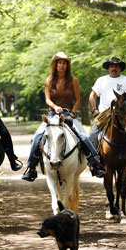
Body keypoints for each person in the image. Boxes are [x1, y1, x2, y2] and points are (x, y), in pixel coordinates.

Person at [22, 52, 106, 182]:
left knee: (84, 136)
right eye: (59, 63)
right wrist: (55, 107)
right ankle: (31, 167)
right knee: (37, 137)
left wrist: (72, 114)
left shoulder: (73, 80)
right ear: (55, 65)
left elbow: (77, 100)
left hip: (68, 114)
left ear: (67, 66)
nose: (62, 65)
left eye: (64, 63)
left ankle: (94, 163)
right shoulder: (49, 81)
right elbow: (47, 100)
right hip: (52, 115)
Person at [88, 56, 126, 148]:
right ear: (108, 68)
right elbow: (92, 96)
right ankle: (93, 158)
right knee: (92, 134)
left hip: (123, 113)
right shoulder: (101, 80)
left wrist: (120, 99)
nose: (114, 68)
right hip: (104, 113)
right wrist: (94, 110)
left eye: (116, 66)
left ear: (120, 68)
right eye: (112, 66)